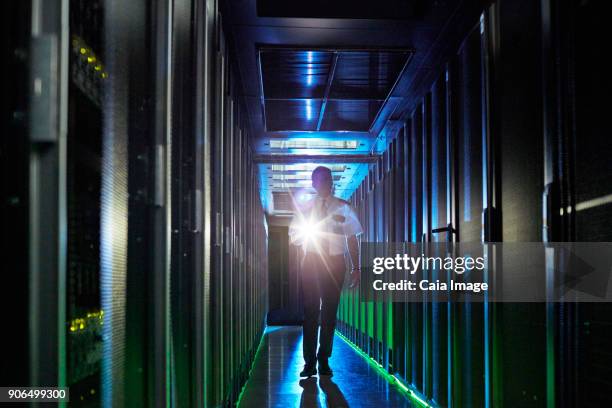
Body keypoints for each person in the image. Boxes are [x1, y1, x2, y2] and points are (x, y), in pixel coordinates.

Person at [289, 166, 363, 377]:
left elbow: (352, 239)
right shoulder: (304, 209)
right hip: (312, 260)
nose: (325, 183)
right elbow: (294, 236)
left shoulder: (343, 206)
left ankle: (324, 360)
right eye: (320, 180)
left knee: (330, 312)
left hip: (335, 262)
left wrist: (356, 268)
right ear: (313, 183)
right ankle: (309, 362)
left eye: (328, 179)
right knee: (311, 311)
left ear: (332, 182)